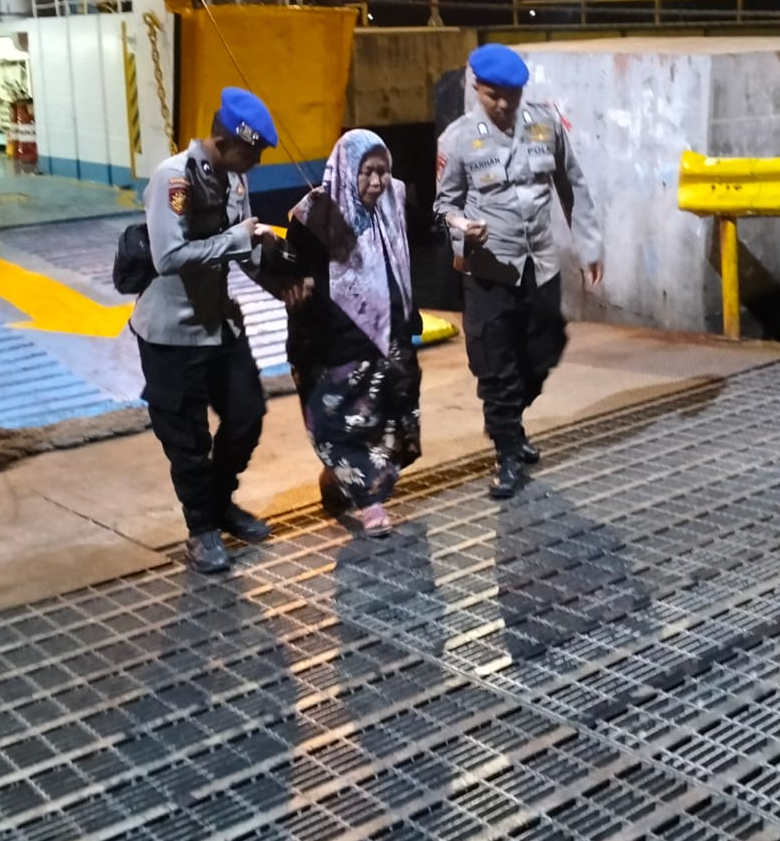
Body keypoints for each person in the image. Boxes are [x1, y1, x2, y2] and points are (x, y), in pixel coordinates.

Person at [434, 43, 602, 499]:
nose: (504, 104)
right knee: (497, 366)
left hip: (539, 265)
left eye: (512, 94)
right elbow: (443, 207)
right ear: (477, 88)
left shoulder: (545, 125)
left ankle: (509, 421)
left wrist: (589, 246)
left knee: (545, 349)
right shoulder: (457, 140)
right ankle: (507, 449)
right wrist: (461, 232)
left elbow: (572, 184)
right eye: (494, 95)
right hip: (489, 270)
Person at [132, 86, 282, 574]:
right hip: (171, 333)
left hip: (219, 324)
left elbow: (244, 252)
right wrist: (237, 238)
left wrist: (284, 279)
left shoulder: (234, 181)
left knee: (247, 415)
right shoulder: (173, 178)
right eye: (251, 152)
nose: (256, 162)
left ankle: (219, 503)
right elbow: (168, 257)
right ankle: (201, 531)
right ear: (224, 140)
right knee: (189, 442)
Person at [278, 130, 422, 538]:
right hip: (336, 346)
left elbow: (400, 263)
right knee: (341, 429)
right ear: (346, 170)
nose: (377, 182)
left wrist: (408, 325)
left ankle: (338, 481)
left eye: (383, 171)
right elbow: (293, 276)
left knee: (389, 429)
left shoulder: (392, 203)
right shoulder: (315, 215)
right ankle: (370, 504)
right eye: (367, 172)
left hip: (389, 341)